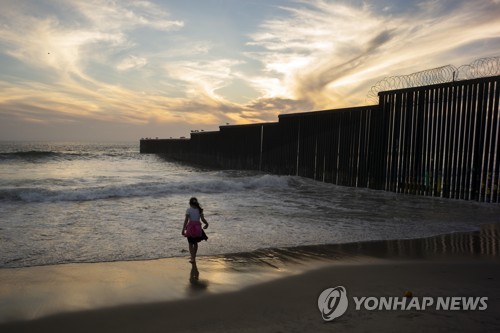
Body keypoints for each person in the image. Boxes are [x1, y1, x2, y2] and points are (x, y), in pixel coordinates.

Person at [182, 197, 209, 263]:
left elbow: (186, 220)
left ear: (190, 203)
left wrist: (183, 229)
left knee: (190, 243)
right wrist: (207, 224)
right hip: (198, 228)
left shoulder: (188, 210)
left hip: (190, 228)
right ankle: (194, 257)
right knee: (195, 243)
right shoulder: (200, 210)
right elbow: (202, 219)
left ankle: (192, 258)